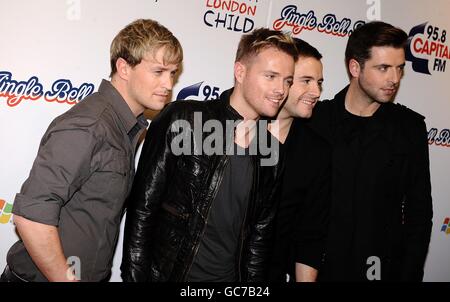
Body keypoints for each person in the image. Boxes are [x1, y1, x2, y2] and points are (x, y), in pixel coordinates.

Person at [0, 19, 183, 282]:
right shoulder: (91, 125)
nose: (168, 84)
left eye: (173, 73)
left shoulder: (124, 128)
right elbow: (31, 216)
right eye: (159, 71)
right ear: (124, 68)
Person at [120, 28, 297, 282]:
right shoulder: (184, 120)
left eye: (288, 81)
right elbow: (142, 210)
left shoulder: (272, 151)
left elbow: (259, 238)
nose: (281, 89)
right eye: (271, 76)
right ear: (240, 72)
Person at [308, 21, 433, 281]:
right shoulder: (316, 120)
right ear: (355, 67)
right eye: (383, 68)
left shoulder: (409, 128)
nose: (394, 79)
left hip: (381, 270)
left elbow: (419, 214)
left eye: (399, 68)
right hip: (319, 269)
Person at [266, 38, 330, 282]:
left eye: (319, 83)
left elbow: (311, 235)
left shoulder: (316, 151)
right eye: (306, 81)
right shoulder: (239, 132)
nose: (316, 92)